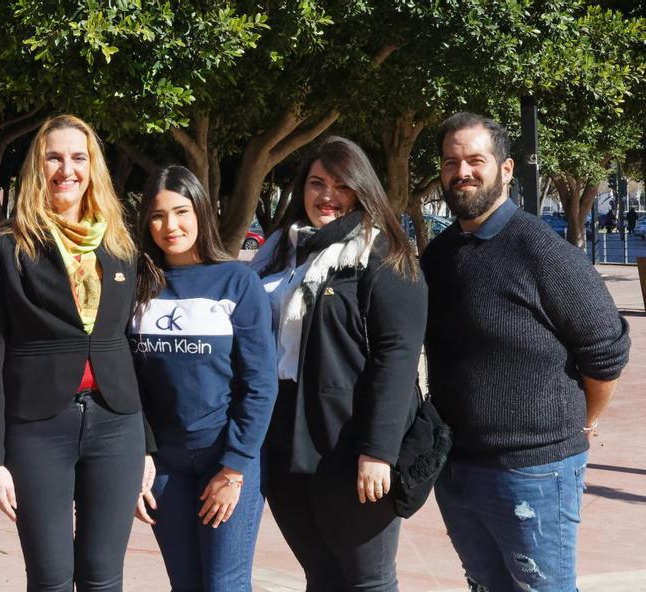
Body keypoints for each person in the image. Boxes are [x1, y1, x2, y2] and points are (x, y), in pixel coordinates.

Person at [422, 112, 631, 592]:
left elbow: (607, 354)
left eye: (476, 159)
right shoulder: (440, 254)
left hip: (533, 472)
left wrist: (584, 421)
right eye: (451, 162)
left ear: (507, 168)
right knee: (484, 585)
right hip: (455, 467)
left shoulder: (543, 252)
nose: (463, 171)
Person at [0, 114, 145, 591]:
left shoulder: (120, 245)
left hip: (117, 425)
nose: (65, 169)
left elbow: (132, 346)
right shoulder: (3, 247)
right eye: (54, 157)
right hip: (37, 429)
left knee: (103, 576)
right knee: (50, 578)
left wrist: (146, 444)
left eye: (77, 157)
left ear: (93, 167)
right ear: (36, 166)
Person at [250, 136, 426, 591]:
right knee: (321, 575)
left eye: (340, 184)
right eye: (316, 183)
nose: (327, 195)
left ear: (362, 189)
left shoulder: (383, 255)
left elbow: (398, 357)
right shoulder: (278, 253)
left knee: (367, 581)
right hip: (284, 438)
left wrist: (379, 452)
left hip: (350, 446)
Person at [129, 165, 278, 591]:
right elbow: (126, 380)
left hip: (226, 459)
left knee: (224, 585)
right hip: (163, 465)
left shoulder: (237, 282)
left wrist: (234, 468)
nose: (170, 226)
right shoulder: (138, 285)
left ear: (201, 212)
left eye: (181, 211)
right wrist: (139, 456)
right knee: (186, 584)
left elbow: (260, 384)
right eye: (157, 216)